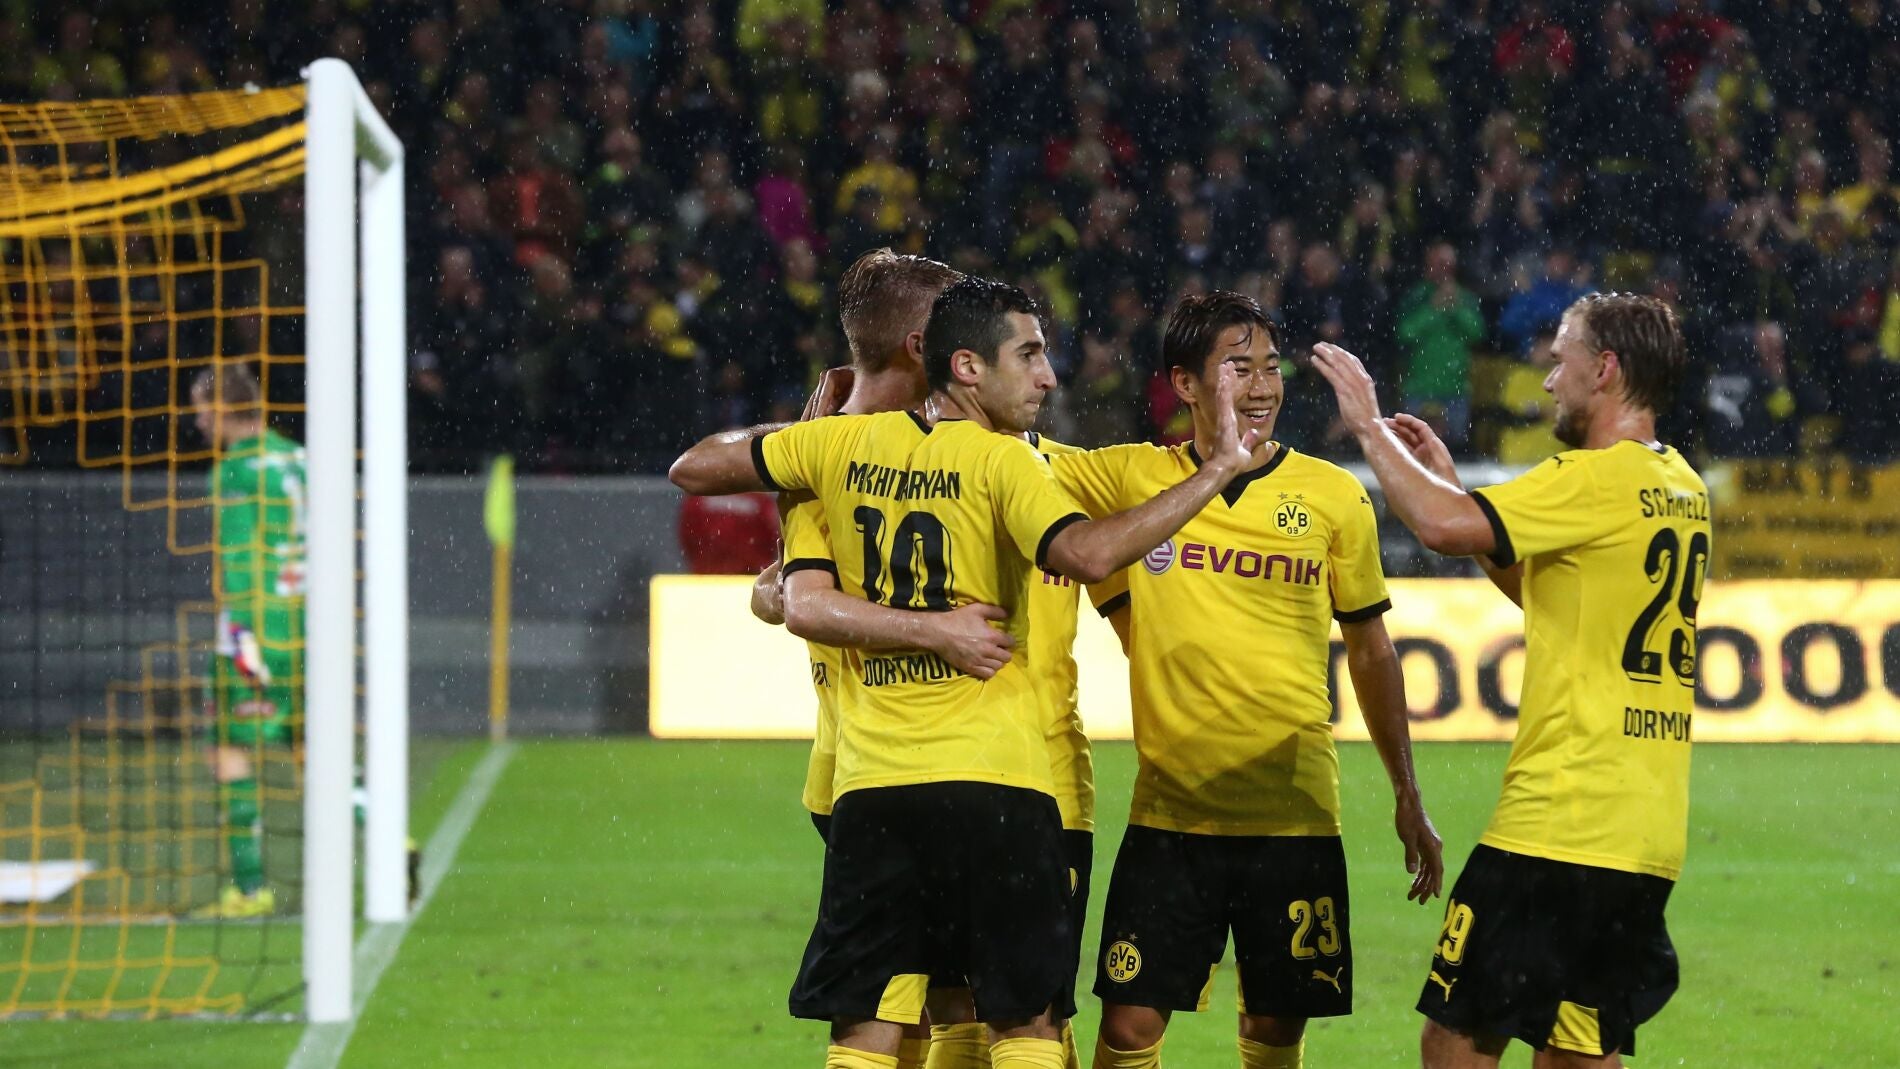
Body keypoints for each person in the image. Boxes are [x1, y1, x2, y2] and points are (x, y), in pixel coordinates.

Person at [671, 277, 1262, 1069]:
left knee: (869, 1026)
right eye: (1030, 354)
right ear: (966, 367)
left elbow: (696, 467)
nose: (1049, 376)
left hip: (875, 784)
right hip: (1000, 779)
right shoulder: (1006, 463)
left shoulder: (835, 449)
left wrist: (813, 432)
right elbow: (1085, 554)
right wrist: (1216, 468)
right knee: (1025, 1020)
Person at [1045, 292, 1444, 1069]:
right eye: (1238, 367)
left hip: (1292, 816)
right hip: (1171, 816)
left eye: (1271, 367)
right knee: (1127, 1027)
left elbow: (1371, 650)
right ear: (1185, 384)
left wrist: (1407, 792)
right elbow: (1007, 458)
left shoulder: (1332, 497)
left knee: (1273, 1030)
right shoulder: (1130, 476)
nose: (1262, 386)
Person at [1309, 293, 1706, 1068]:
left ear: (1607, 368)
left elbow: (1439, 527)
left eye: (1562, 359)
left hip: (1562, 816)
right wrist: (1457, 484)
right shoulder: (1682, 487)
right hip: (1644, 828)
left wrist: (1363, 423)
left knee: (1458, 1035)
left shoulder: (1594, 477)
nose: (1551, 380)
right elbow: (1545, 589)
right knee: (1575, 1049)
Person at [190, 364, 305, 919]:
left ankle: (251, 888)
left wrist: (242, 638)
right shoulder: (299, 457)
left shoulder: (233, 472)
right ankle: (391, 845)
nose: (197, 420)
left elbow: (238, 563)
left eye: (199, 408)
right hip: (309, 624)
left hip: (259, 629)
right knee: (312, 749)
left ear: (218, 409)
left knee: (228, 749)